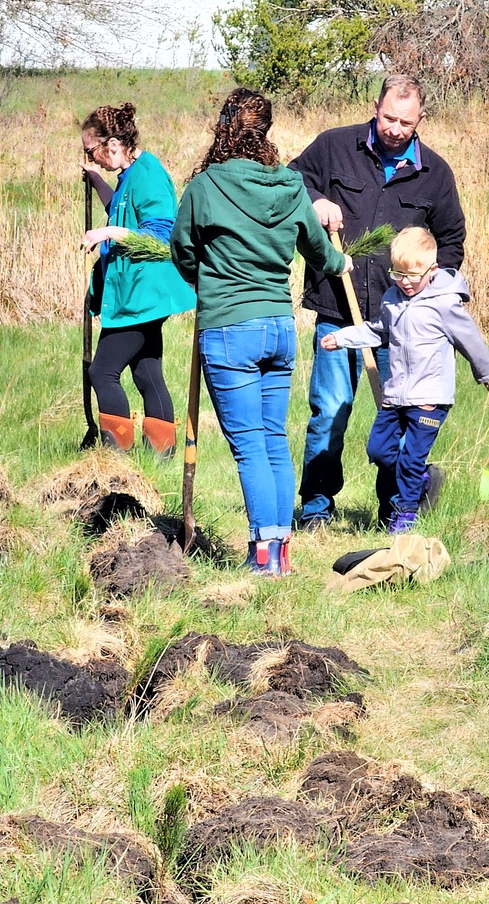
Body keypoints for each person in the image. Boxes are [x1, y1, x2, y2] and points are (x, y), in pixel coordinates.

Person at [171, 88, 351, 577]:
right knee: (273, 439)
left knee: (250, 443)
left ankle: (264, 557)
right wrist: (342, 260)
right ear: (266, 130)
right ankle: (281, 553)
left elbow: (183, 252)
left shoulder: (206, 187)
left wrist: (206, 277)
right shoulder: (290, 186)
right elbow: (319, 251)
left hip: (230, 328)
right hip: (279, 327)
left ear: (224, 125)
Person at [289, 74, 466, 530]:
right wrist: (315, 201)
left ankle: (397, 506)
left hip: (402, 326)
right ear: (375, 107)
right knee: (329, 411)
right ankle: (316, 506)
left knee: (401, 421)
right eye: (389, 117)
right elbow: (290, 182)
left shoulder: (435, 174)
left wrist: (427, 298)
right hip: (336, 307)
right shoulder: (335, 146)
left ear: (420, 119)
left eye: (406, 122)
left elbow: (451, 243)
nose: (395, 128)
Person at [320, 226, 489, 534]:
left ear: (432, 270)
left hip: (429, 398)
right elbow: (377, 331)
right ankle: (423, 479)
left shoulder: (444, 303)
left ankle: (406, 516)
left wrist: (483, 371)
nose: (405, 282)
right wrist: (344, 337)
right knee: (379, 451)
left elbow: (470, 339)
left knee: (411, 459)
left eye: (412, 275)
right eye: (398, 274)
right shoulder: (392, 298)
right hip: (396, 393)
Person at [81, 103, 195, 455]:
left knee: (102, 372)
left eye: (92, 150)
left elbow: (161, 233)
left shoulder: (150, 173)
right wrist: (99, 183)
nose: (92, 157)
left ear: (112, 144)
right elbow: (123, 207)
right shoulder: (131, 176)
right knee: (146, 372)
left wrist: (108, 232)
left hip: (143, 296)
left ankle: (116, 458)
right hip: (135, 294)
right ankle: (162, 456)